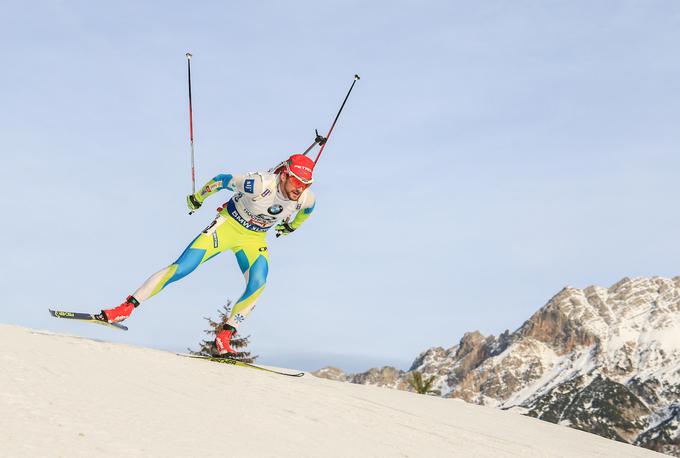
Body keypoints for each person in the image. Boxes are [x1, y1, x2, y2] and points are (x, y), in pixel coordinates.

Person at [100, 153, 317, 355]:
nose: (300, 188)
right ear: (285, 175)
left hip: (254, 239)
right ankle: (125, 308)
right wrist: (198, 197)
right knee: (182, 267)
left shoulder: (305, 198)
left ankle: (224, 337)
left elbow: (308, 211)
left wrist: (291, 227)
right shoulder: (259, 184)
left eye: (305, 184)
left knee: (258, 283)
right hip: (228, 226)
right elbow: (222, 180)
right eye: (297, 182)